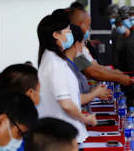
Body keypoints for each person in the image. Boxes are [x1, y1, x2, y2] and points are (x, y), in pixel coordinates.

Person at [37, 9, 96, 143]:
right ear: (56, 35)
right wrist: (84, 118)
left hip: (67, 132)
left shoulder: (58, 60)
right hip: (62, 136)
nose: (70, 34)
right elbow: (66, 104)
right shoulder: (53, 62)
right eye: (68, 31)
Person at [67, 6, 132, 86]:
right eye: (88, 26)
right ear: (81, 25)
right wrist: (119, 78)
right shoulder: (73, 49)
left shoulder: (78, 47)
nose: (89, 29)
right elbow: (92, 72)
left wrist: (117, 74)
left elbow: (95, 67)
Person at [65, 24, 112, 113]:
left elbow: (79, 91)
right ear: (77, 44)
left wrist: (93, 90)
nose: (84, 46)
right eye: (84, 42)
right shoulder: (65, 66)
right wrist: (95, 93)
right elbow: (72, 99)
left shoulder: (74, 63)